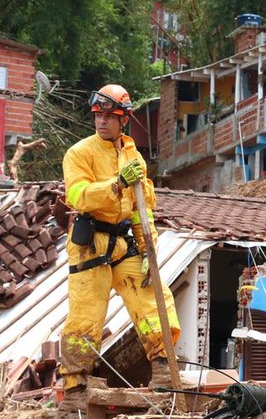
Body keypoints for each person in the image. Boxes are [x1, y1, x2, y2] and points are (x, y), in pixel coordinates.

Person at [59, 84, 180, 412]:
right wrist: (117, 183)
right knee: (85, 314)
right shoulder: (80, 153)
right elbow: (79, 196)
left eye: (110, 117)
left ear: (123, 120)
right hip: (91, 243)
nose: (102, 122)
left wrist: (148, 249)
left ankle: (164, 375)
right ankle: (74, 390)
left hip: (125, 241)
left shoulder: (132, 154)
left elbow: (143, 207)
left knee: (154, 301)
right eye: (98, 115)